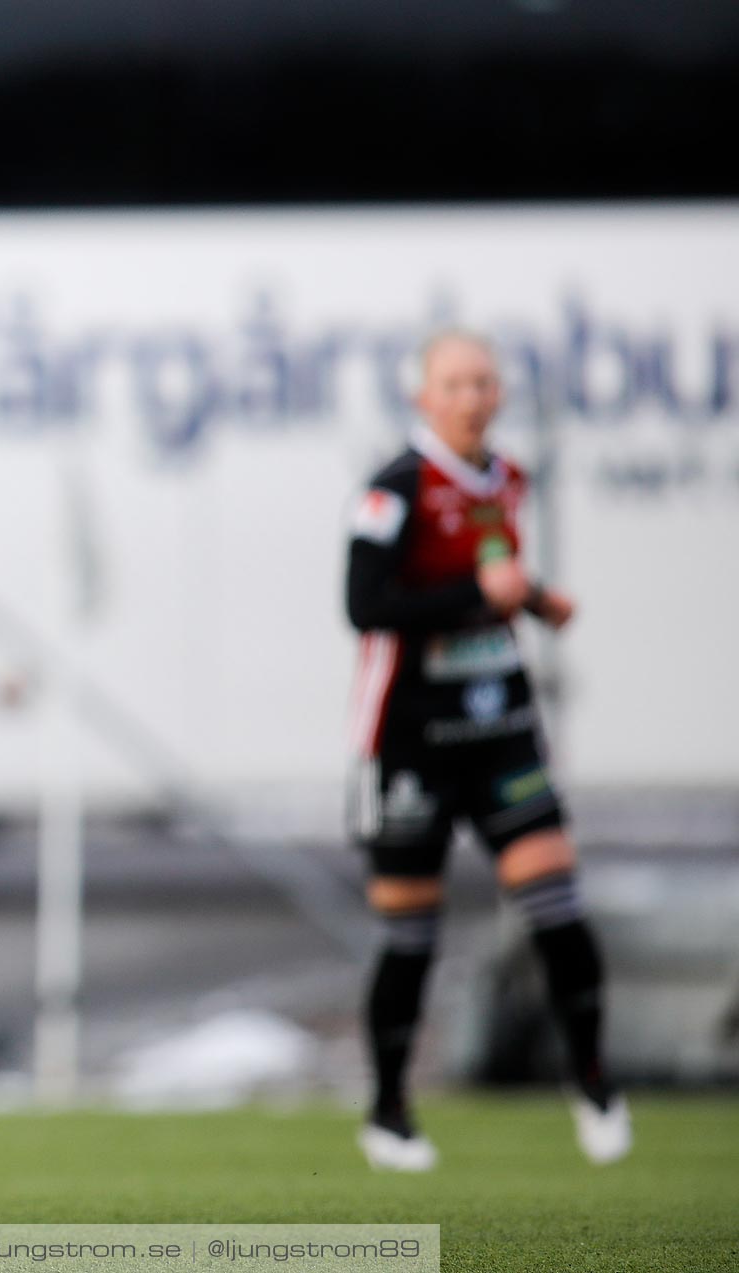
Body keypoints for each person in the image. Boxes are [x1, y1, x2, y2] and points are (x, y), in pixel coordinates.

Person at [345, 329, 630, 1171]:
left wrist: (536, 602)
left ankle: (594, 1082)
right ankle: (389, 1111)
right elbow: (366, 606)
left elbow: (497, 581)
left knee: (555, 901)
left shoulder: (507, 479)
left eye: (484, 382)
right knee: (410, 934)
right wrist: (480, 593)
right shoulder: (391, 492)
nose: (473, 396)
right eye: (455, 383)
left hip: (500, 726)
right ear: (423, 397)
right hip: (410, 741)